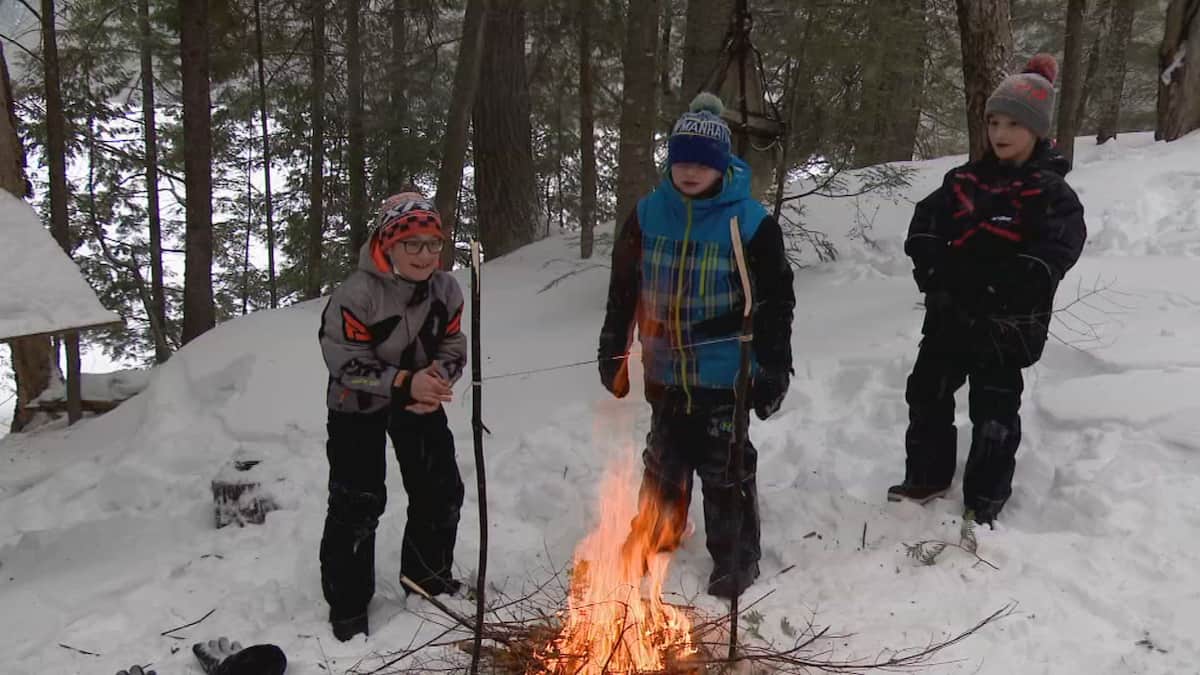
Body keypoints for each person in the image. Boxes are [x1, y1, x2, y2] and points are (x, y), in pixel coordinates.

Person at [598, 93, 796, 599]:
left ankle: (736, 556)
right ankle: (656, 533)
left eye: (701, 164)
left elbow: (776, 301)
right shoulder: (647, 214)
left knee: (724, 464)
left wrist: (775, 368)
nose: (689, 172)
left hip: (725, 372)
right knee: (664, 458)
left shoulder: (748, 223)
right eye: (681, 161)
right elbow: (624, 287)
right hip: (663, 368)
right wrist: (613, 346)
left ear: (722, 164)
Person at [889, 54, 1087, 527]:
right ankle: (928, 474)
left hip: (1006, 325)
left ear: (1036, 130)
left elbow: (1053, 253)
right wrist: (932, 273)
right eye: (994, 121)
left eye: (1014, 123)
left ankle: (986, 494)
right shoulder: (964, 180)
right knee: (926, 393)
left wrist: (1002, 287)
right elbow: (924, 226)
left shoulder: (1051, 194)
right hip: (949, 316)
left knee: (994, 410)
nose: (1000, 133)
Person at [317, 192, 468, 641]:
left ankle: (428, 581)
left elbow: (454, 347)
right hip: (357, 404)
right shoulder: (355, 295)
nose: (425, 255)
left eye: (432, 244)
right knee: (358, 502)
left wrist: (437, 381)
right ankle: (347, 606)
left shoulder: (447, 289)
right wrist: (406, 383)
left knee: (440, 490)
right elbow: (344, 363)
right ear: (388, 244)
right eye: (412, 244)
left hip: (419, 399)